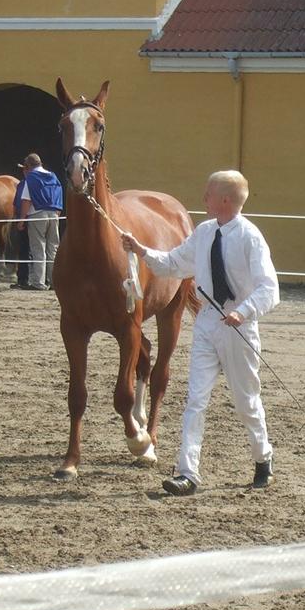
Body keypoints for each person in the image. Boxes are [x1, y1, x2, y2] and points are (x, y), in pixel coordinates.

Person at [121, 170, 280, 496]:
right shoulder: (204, 232)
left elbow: (269, 289)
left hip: (239, 327)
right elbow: (174, 264)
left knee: (246, 401)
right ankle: (187, 473)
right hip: (208, 323)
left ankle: (263, 457)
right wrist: (141, 251)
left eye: (208, 193)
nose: (203, 197)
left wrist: (243, 311)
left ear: (224, 199)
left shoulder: (250, 237)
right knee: (195, 400)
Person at [17, 152, 63, 290]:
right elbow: (59, 197)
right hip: (54, 214)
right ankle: (54, 281)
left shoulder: (30, 178)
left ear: (28, 166)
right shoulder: (54, 177)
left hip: (37, 214)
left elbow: (26, 201)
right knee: (52, 249)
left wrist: (21, 220)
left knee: (38, 249)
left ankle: (39, 282)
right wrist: (56, 214)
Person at [10, 174, 32, 289]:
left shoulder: (28, 182)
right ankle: (22, 278)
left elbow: (25, 202)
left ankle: (26, 278)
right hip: (22, 218)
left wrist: (22, 219)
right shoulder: (21, 184)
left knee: (28, 250)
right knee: (23, 249)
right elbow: (16, 202)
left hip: (28, 218)